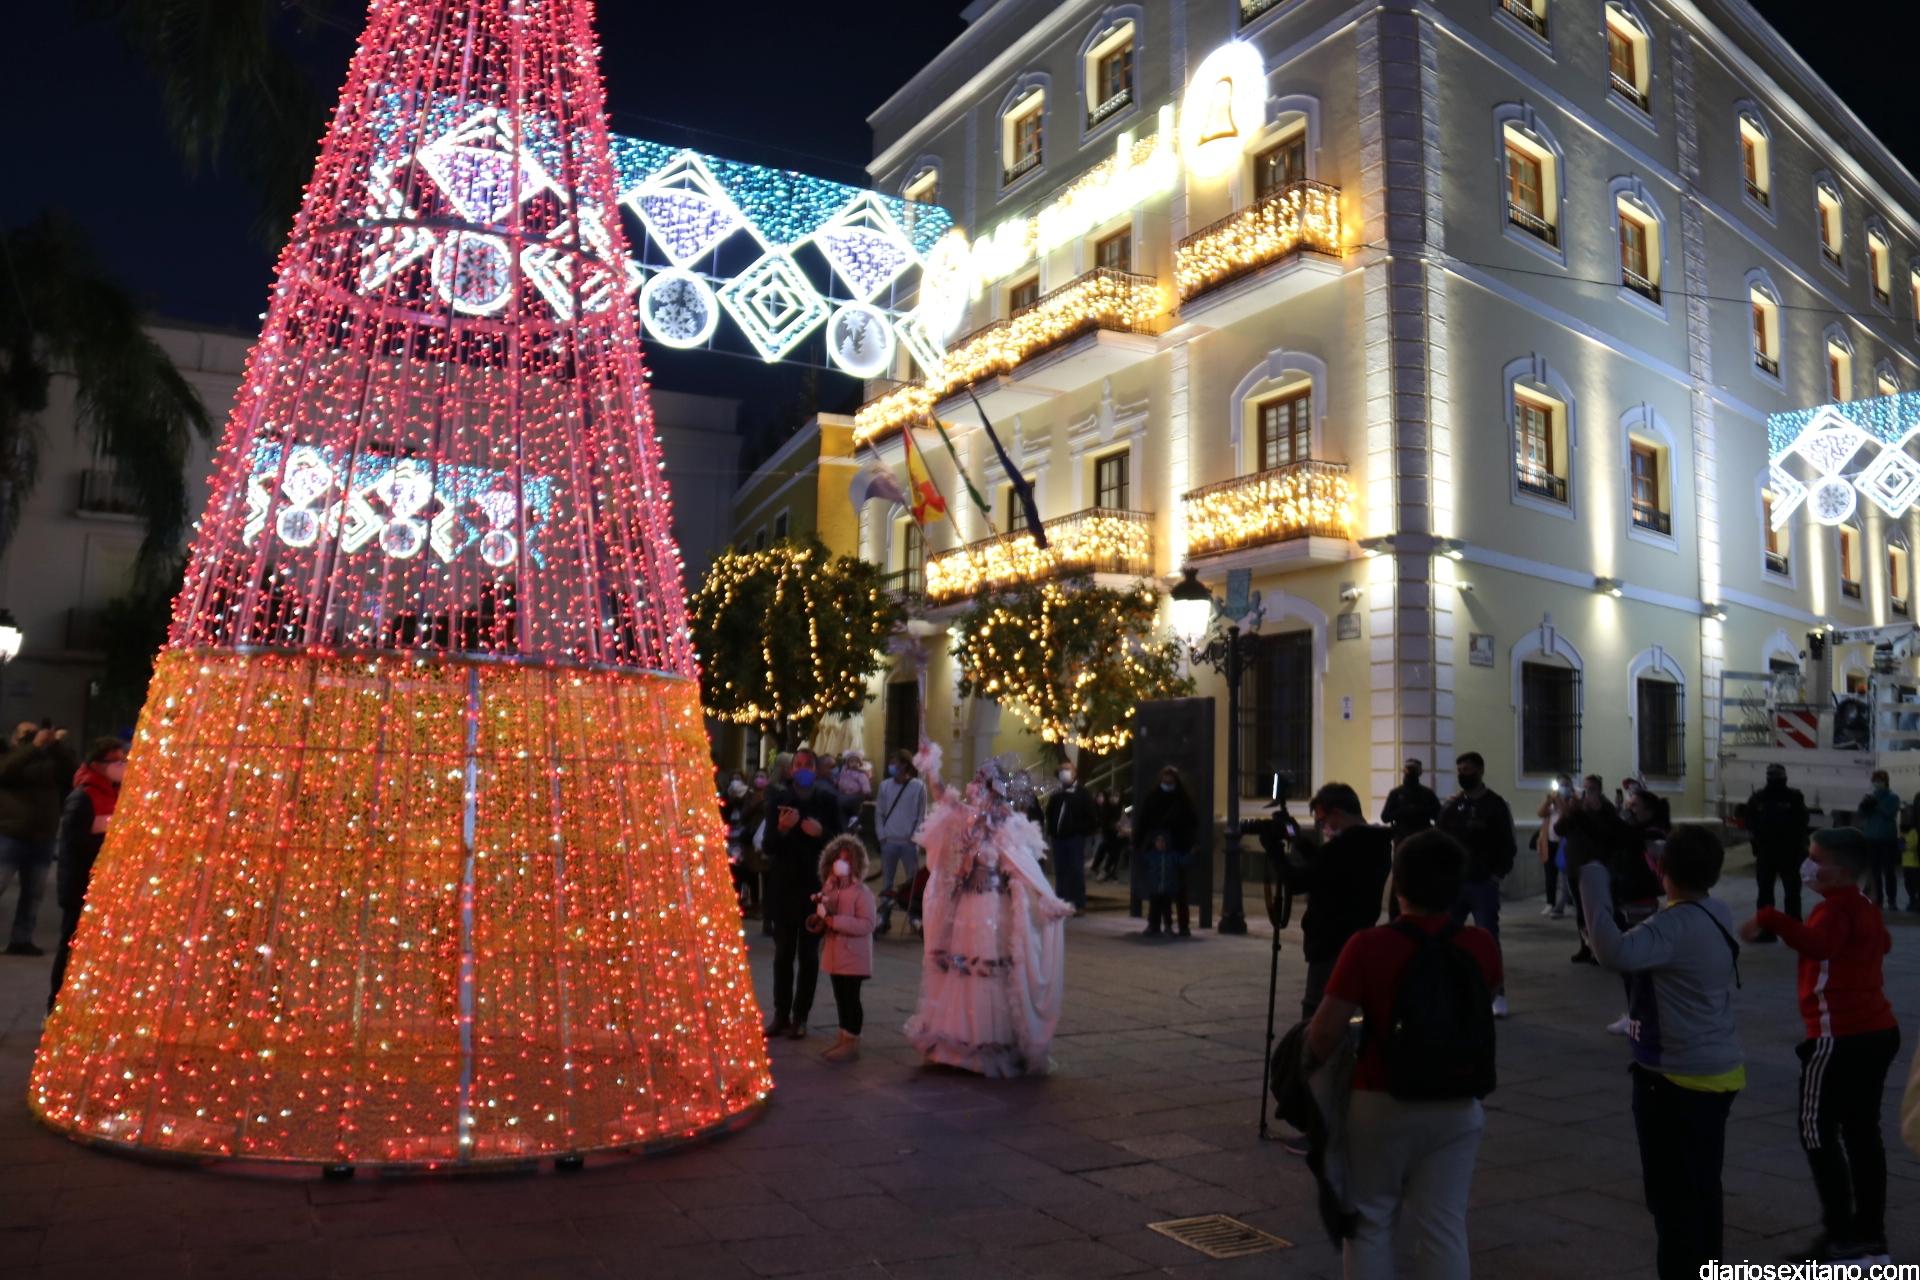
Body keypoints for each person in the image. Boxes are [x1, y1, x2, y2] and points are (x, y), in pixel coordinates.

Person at [1306, 831, 1500, 1280]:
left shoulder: (1368, 945)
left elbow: (1325, 1031)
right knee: (1444, 1224)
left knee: (1370, 1219)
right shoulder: (1480, 945)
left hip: (1380, 1094)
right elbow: (1480, 1005)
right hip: (1458, 1099)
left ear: (1399, 886)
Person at [1580, 826, 1744, 1280]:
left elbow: (1611, 952)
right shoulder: (1716, 910)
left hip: (1676, 1078)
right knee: (1701, 1190)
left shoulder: (1672, 925)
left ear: (1661, 869)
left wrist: (1592, 880)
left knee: (1673, 1202)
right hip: (1714, 1069)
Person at [1740, 827, 1900, 1265]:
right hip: (1877, 1030)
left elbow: (1819, 945)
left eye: (1816, 858)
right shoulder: (1862, 904)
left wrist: (1769, 918)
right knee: (1862, 1132)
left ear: (1841, 871)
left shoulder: (1835, 910)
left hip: (1838, 1036)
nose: (1807, 865)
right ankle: (1870, 1238)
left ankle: (1841, 1236)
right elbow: (1883, 943)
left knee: (1816, 1130)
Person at [904, 758, 1072, 1076]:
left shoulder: (1005, 824)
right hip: (966, 905)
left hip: (991, 909)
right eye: (975, 781)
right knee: (961, 967)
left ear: (993, 790)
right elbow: (944, 799)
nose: (973, 787)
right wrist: (931, 765)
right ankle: (956, 1042)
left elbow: (1021, 867)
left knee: (986, 969)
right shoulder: (970, 818)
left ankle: (987, 1044)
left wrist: (1045, 898)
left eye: (980, 783)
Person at [761, 747, 843, 1039]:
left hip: (814, 889)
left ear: (816, 769)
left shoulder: (827, 801)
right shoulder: (779, 801)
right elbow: (768, 845)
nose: (804, 769)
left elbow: (841, 844)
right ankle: (781, 1014)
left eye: (809, 764)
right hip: (784, 888)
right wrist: (783, 829)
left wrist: (821, 834)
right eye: (799, 764)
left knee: (808, 956)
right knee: (783, 955)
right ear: (792, 769)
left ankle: (801, 1016)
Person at [1292, 783, 1393, 1019]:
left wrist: (1276, 854)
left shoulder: (1343, 847)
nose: (1324, 828)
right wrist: (1302, 844)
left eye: (1323, 821)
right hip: (1357, 935)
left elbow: (1298, 882)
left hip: (1329, 942)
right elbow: (1331, 869)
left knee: (1317, 1010)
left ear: (1336, 813)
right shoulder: (1376, 842)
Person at [47, 737, 127, 1009]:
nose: (121, 766)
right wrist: (107, 836)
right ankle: (55, 1004)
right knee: (71, 944)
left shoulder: (115, 792)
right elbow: (72, 843)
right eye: (115, 761)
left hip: (102, 882)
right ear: (96, 764)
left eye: (123, 760)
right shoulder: (83, 796)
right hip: (80, 883)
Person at [1436, 751, 1515, 1017]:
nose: (1463, 775)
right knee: (1446, 937)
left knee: (1488, 937)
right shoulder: (1453, 806)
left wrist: (1497, 874)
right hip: (1455, 883)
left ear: (1480, 771)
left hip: (1483, 883)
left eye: (1467, 770)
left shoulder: (1495, 805)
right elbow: (1440, 837)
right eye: (1459, 770)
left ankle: (1498, 993)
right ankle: (1449, 990)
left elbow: (1507, 844)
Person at [0, 721, 78, 956]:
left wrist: (56, 746)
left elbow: (72, 772)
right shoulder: (10, 755)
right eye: (26, 732)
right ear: (15, 736)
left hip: (43, 836)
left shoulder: (50, 760)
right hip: (11, 833)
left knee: (33, 894)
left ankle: (21, 939)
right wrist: (32, 747)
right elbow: (5, 771)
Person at [813, 833, 876, 1063]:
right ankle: (843, 1037)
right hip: (835, 954)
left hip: (853, 955)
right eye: (838, 858)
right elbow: (825, 913)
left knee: (851, 998)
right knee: (840, 997)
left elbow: (867, 924)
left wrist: (834, 921)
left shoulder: (862, 893)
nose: (841, 863)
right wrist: (820, 916)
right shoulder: (830, 889)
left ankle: (852, 1041)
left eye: (847, 859)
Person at [1742, 763, 1809, 938]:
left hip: (1784, 851)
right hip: (1773, 851)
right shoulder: (1761, 798)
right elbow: (1750, 821)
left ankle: (1785, 929)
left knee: (1785, 892)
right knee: (1773, 893)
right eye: (1773, 775)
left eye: (1776, 775)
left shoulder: (1790, 797)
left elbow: (1802, 822)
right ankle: (1777, 930)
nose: (1775, 779)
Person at [1134, 766, 1199, 937]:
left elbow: (1191, 823)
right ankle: (1159, 924)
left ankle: (1177, 925)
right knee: (1159, 891)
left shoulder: (1180, 800)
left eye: (1170, 779)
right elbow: (1144, 822)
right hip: (1162, 848)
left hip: (1175, 848)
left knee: (1177, 891)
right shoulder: (1163, 798)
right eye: (1165, 779)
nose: (1167, 782)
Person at [874, 751, 928, 904]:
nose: (891, 766)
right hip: (889, 841)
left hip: (909, 843)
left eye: (894, 762)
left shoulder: (918, 787)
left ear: (904, 765)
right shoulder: (885, 786)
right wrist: (881, 835)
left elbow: (921, 815)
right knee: (887, 882)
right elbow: (879, 812)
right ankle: (885, 910)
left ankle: (912, 911)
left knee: (912, 881)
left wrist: (915, 837)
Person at [1044, 760, 1098, 913]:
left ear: (1074, 773)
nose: (1064, 772)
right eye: (1062, 770)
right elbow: (1050, 813)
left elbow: (1091, 817)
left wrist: (1079, 830)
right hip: (1058, 838)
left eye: (1067, 769)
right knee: (1060, 870)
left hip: (1075, 838)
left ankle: (1079, 903)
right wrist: (1052, 831)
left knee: (1075, 870)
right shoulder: (1057, 794)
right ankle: (1062, 901)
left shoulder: (1082, 794)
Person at [1855, 770, 1901, 909]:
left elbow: (1890, 813)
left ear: (1886, 782)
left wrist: (1877, 804)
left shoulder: (1893, 797)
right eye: (1875, 781)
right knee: (1874, 871)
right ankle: (1878, 899)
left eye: (1880, 781)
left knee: (1889, 871)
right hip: (1871, 838)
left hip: (1887, 839)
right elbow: (1861, 814)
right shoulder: (1870, 797)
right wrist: (1865, 804)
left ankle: (1892, 900)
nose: (1877, 783)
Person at [1380, 758, 1441, 845]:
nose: (1411, 772)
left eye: (1414, 769)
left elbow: (1439, 815)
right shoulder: (1396, 793)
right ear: (1404, 770)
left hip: (1423, 839)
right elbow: (1385, 817)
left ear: (1420, 772)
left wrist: (1421, 810)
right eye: (1409, 768)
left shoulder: (1427, 793)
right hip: (1402, 838)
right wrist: (1403, 811)